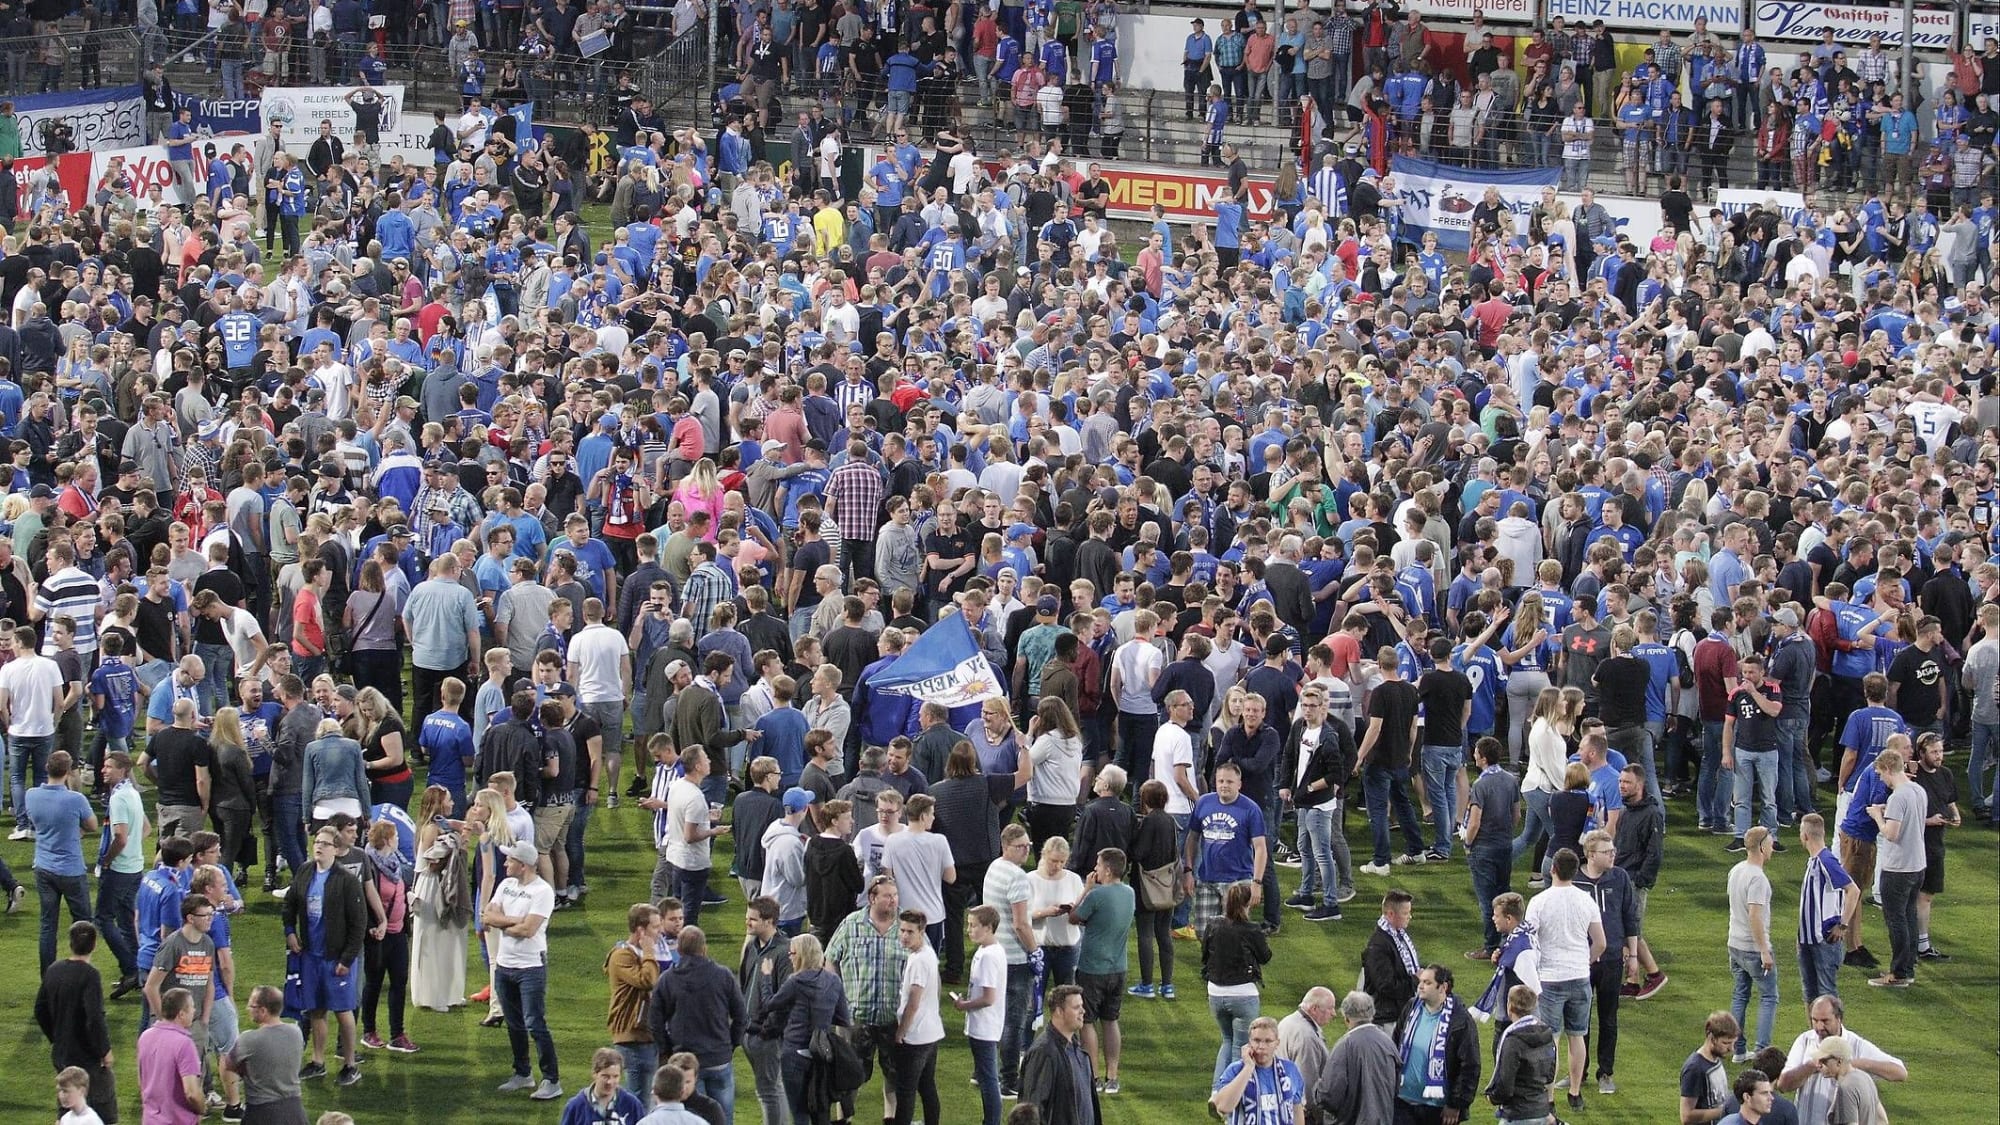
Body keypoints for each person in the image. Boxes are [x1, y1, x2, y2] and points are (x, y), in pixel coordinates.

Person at [284, 827, 367, 1087]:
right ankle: (318, 1061)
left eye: (325, 843)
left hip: (336, 958)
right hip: (311, 955)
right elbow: (290, 904)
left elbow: (359, 923)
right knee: (316, 1008)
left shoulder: (346, 880)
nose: (318, 846)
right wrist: (290, 931)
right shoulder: (305, 871)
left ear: (336, 849)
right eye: (316, 842)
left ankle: (350, 1064)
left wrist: (347, 959)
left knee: (343, 1011)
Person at [1524, 847, 1604, 1113]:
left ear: (1552, 869)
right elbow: (1601, 943)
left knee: (1551, 1040)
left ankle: (1548, 1097)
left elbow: (1528, 941)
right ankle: (1575, 1092)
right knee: (1577, 1036)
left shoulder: (1539, 901)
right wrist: (1586, 961)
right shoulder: (1586, 900)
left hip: (1549, 978)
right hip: (1579, 975)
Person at [483, 838, 562, 1100]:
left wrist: (502, 923)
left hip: (530, 967)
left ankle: (552, 1080)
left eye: (510, 859)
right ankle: (523, 1074)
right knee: (514, 1024)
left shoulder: (543, 892)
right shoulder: (506, 885)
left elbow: (529, 930)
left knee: (535, 1023)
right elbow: (487, 916)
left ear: (524, 865)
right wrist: (514, 921)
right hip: (505, 966)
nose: (505, 862)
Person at [650, 923, 746, 1119]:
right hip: (719, 1059)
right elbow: (741, 1016)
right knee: (724, 1119)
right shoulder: (724, 975)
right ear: (704, 948)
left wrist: (667, 1049)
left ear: (679, 949)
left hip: (685, 1066)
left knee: (692, 1119)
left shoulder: (667, 980)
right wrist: (730, 1044)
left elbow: (655, 1021)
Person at [751, 933, 850, 1125]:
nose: (790, 957)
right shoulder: (834, 981)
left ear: (802, 954)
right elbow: (843, 1019)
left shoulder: (795, 982)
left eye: (792, 953)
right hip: (822, 1055)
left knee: (799, 1113)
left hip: (795, 1055)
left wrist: (765, 978)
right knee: (821, 1110)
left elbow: (769, 1004)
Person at [1572, 829, 1637, 1096]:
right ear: (1590, 855)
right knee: (1579, 1019)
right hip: (1580, 960)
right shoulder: (1574, 881)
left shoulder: (1619, 877)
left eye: (1613, 851)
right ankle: (1579, 1070)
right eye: (1606, 851)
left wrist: (1633, 956)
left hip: (1611, 960)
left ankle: (1606, 1072)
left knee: (1608, 1018)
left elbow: (1630, 917)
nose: (1613, 855)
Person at [1776, 994, 1907, 1122]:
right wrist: (1810, 1066)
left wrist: (1853, 1064)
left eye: (1825, 1021)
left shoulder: (1856, 1045)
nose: (1819, 1027)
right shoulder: (1805, 1040)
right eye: (1815, 1020)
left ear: (1839, 1018)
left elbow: (1900, 1073)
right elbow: (1783, 1085)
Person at [35, 921, 116, 1124]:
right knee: (101, 1110)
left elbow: (40, 1010)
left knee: (66, 1105)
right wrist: (104, 1050)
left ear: (70, 943)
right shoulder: (90, 976)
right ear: (95, 945)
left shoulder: (54, 970)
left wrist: (56, 1037)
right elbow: (94, 1018)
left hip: (62, 1053)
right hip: (87, 1057)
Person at [1069, 846, 1134, 1095]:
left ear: (1106, 870)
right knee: (1111, 1020)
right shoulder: (1129, 893)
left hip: (1092, 968)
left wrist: (1086, 889)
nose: (1094, 869)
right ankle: (1113, 1077)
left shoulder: (1097, 895)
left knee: (1087, 1022)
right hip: (1118, 968)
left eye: (1097, 865)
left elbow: (1074, 917)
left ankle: (1093, 1077)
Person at [27, 750, 98, 972]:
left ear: (47, 768)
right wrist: (75, 828)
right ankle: (82, 970)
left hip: (44, 867)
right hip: (71, 870)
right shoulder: (75, 799)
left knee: (48, 925)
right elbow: (92, 825)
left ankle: (47, 975)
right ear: (68, 772)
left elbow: (37, 821)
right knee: (83, 923)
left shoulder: (31, 795)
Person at [1864, 745, 1926, 988]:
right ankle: (1907, 967)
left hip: (1898, 868)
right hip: (1917, 864)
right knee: (1909, 916)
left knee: (1896, 919)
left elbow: (1891, 833)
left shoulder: (1898, 796)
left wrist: (1878, 815)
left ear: (1889, 769)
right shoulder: (1918, 790)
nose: (1881, 778)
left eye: (1881, 773)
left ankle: (1898, 973)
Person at [1201, 879, 1272, 1083]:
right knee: (1240, 1047)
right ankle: (1233, 1097)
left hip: (1215, 993)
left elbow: (1205, 955)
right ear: (1248, 904)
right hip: (1243, 995)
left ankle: (1218, 1091)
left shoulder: (1213, 924)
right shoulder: (1251, 929)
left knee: (1227, 1040)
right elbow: (1265, 956)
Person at [1392, 964, 1480, 1125]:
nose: (1420, 986)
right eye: (1421, 981)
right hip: (1403, 1102)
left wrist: (1455, 1104)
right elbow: (1394, 1044)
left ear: (1443, 987)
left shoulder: (1460, 1020)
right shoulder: (1411, 1008)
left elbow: (1470, 1066)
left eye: (1427, 982)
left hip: (1438, 1110)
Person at [1794, 813, 1858, 1007]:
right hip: (1807, 939)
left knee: (1827, 996)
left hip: (1823, 939)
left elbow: (1853, 890)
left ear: (1805, 836)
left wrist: (1843, 925)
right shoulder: (1814, 860)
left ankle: (1833, 1038)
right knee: (1810, 995)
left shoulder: (1826, 860)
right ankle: (1816, 1037)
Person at [1726, 826, 1779, 1062]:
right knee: (1769, 997)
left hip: (1734, 944)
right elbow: (1755, 916)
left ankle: (1737, 1050)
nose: (1772, 847)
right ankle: (1762, 1052)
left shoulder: (1736, 870)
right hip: (1751, 947)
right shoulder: (1758, 878)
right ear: (1760, 847)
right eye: (1770, 843)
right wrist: (1764, 951)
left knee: (1740, 995)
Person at [888, 909, 944, 1125]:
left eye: (910, 931)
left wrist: (901, 1032)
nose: (904, 935)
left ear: (922, 931)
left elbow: (913, 1001)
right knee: (927, 1085)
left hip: (916, 1036)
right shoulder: (928, 953)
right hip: (931, 1031)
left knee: (906, 1089)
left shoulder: (919, 960)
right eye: (901, 930)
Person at [225, 984, 309, 1125]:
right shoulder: (296, 1032)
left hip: (262, 1113)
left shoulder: (248, 1039)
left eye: (251, 1006)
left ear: (263, 1011)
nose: (247, 1009)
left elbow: (229, 1065)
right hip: (295, 1111)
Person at [1018, 984, 1098, 1125]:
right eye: (1076, 1007)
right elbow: (1032, 1110)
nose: (1083, 1011)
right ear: (1059, 1012)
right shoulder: (1043, 1053)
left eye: (1082, 1006)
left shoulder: (1079, 1052)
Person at [1314, 991, 1398, 1125]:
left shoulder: (1345, 1045)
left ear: (1346, 1018)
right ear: (1372, 1014)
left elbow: (1329, 1095)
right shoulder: (1388, 1043)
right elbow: (1397, 1086)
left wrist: (1317, 1091)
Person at [1211, 1014, 1308, 1125]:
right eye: (1257, 1040)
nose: (1261, 1046)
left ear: (1277, 1043)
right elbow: (1223, 1107)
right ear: (1249, 1042)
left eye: (1268, 1041)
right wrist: (1248, 1068)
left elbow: (1296, 1109)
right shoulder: (1236, 1070)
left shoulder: (1290, 1070)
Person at [1485, 984, 1554, 1125]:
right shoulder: (1547, 1033)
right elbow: (1550, 1075)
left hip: (1517, 1114)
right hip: (1541, 1111)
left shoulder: (1513, 1041)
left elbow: (1505, 1084)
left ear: (1509, 1007)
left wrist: (1493, 1097)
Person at [136, 988, 205, 1125]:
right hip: (177, 1120)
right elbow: (191, 1092)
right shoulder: (184, 1044)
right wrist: (201, 1108)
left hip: (150, 1120)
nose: (194, 1011)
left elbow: (142, 1079)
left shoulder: (145, 1036)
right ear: (181, 1014)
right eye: (191, 1007)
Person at [1360, 889, 1419, 1027]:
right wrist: (1415, 980)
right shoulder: (1378, 946)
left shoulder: (1398, 937)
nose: (1409, 916)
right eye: (1405, 913)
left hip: (1398, 1014)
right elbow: (1386, 985)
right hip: (1386, 1020)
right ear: (1391, 914)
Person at [1679, 1011, 1742, 1124]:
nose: (1731, 1049)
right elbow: (1686, 1116)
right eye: (1726, 1043)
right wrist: (1725, 1110)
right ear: (1712, 1038)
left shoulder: (1715, 1059)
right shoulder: (1695, 1069)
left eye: (1733, 1043)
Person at [560, 1048, 648, 1125]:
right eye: (605, 1076)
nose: (610, 1082)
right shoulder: (575, 1106)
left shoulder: (632, 1105)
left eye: (615, 1076)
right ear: (594, 1074)